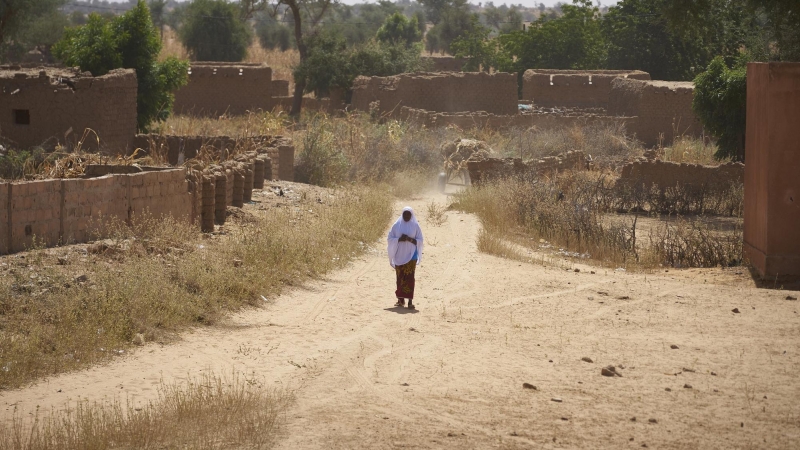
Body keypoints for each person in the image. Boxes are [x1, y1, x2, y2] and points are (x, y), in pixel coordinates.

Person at [387, 206, 424, 309]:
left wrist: (409, 239)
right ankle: (400, 300)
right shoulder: (396, 226)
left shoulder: (415, 226)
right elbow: (389, 238)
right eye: (405, 214)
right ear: (402, 214)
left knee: (410, 278)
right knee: (400, 278)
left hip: (412, 256)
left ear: (411, 215)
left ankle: (410, 302)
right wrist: (399, 239)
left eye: (409, 214)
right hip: (399, 256)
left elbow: (420, 240)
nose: (407, 216)